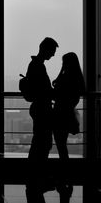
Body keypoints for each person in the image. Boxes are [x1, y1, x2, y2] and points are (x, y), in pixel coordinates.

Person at [25, 37, 59, 203]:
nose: (53, 55)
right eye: (52, 51)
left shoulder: (35, 65)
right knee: (42, 143)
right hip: (42, 109)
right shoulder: (38, 66)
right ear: (45, 49)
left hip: (39, 109)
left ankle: (35, 178)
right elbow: (43, 90)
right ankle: (36, 178)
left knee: (40, 143)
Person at [52, 52, 85, 203]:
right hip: (67, 114)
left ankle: (64, 173)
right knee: (62, 145)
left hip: (59, 114)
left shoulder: (65, 77)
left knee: (60, 145)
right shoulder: (77, 79)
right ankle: (65, 174)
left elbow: (56, 89)